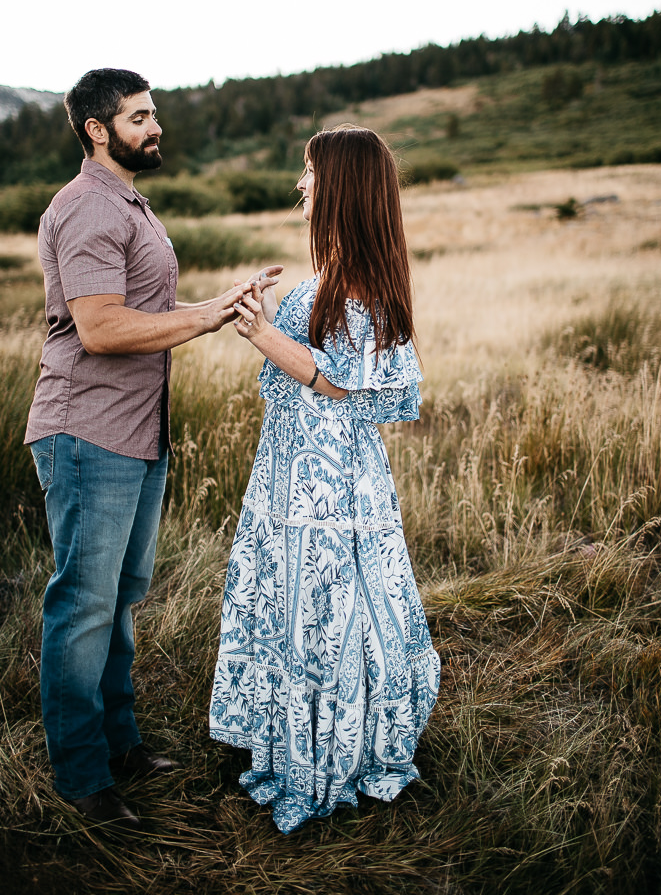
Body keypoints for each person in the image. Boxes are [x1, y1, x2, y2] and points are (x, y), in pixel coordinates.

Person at [25, 67, 272, 831]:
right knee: (84, 604)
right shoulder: (88, 208)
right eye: (139, 118)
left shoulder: (130, 200)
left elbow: (143, 310)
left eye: (153, 114)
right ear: (98, 130)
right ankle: (83, 777)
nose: (154, 127)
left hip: (137, 430)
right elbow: (100, 329)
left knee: (121, 598)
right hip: (86, 431)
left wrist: (218, 306)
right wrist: (206, 316)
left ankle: (121, 744)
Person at [209, 124, 440, 834]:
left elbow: (342, 381)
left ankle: (332, 754)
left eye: (311, 173)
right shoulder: (332, 272)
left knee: (330, 612)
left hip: (330, 487)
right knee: (307, 611)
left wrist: (263, 333)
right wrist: (274, 320)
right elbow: (313, 362)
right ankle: (298, 740)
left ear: (339, 185)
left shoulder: (361, 276)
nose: (301, 184)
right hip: (300, 473)